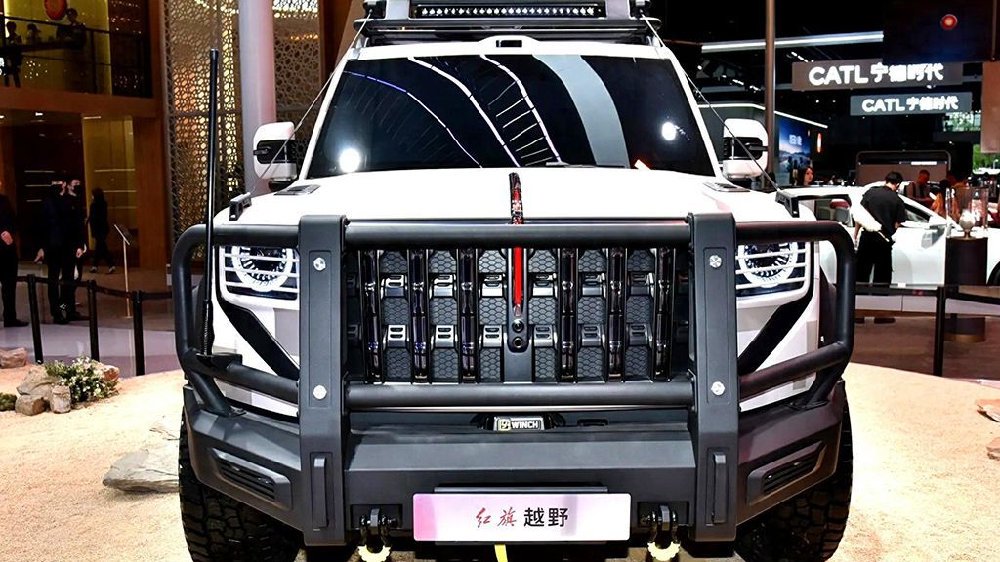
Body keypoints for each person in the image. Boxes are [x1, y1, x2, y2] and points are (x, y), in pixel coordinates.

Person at [854, 171, 907, 324]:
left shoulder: (870, 193)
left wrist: (855, 235)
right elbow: (897, 223)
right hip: (883, 241)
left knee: (861, 275)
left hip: (867, 238)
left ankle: (858, 314)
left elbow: (860, 217)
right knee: (882, 277)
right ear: (898, 184)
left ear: (885, 180)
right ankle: (880, 314)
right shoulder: (897, 200)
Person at [36, 180, 86, 324]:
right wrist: (42, 247)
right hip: (53, 247)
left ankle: (67, 309)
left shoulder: (69, 201)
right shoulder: (47, 202)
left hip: (68, 246)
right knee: (54, 280)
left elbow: (76, 225)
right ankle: (57, 312)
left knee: (68, 280)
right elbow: (42, 227)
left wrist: (79, 245)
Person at [0, 188, 27, 327]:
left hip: (8, 250)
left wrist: (9, 232)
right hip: (4, 247)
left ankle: (10, 316)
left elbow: (14, 221)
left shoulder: (4, 200)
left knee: (9, 286)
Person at [87, 188, 115, 273]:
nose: (91, 196)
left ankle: (110, 264)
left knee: (101, 247)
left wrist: (88, 221)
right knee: (100, 247)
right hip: (103, 228)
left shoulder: (94, 205)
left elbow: (93, 217)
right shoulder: (104, 204)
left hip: (98, 229)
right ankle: (95, 266)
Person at [3, 21, 22, 88]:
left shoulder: (16, 38)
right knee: (13, 73)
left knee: (12, 72)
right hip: (12, 58)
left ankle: (10, 86)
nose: (9, 29)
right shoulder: (10, 38)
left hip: (13, 58)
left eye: (10, 28)